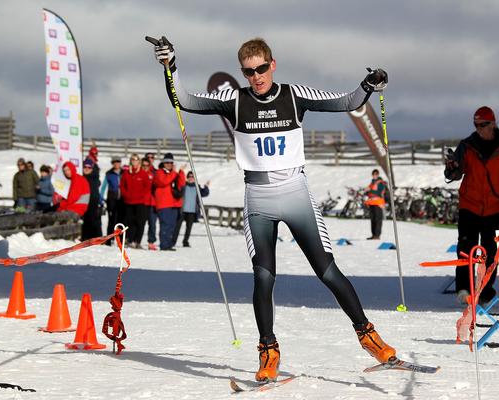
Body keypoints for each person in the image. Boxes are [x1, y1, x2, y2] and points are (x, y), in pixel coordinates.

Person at [152, 36, 393, 382]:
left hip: (295, 192)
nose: (257, 76)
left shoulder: (294, 95)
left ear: (272, 64)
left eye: (262, 68)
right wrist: (169, 65)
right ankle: (268, 351)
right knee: (263, 277)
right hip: (259, 198)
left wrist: (369, 84)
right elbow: (183, 100)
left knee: (327, 271)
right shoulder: (234, 99)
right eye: (249, 72)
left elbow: (348, 101)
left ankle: (368, 335)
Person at [444, 106, 499, 306]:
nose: (479, 128)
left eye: (483, 125)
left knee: (490, 252)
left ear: (493, 123)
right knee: (465, 248)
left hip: (495, 207)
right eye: (476, 125)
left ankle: (485, 291)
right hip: (469, 205)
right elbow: (455, 174)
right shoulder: (467, 145)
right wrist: (451, 168)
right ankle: (464, 288)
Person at [153, 153, 185, 251]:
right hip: (163, 204)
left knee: (172, 226)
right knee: (165, 225)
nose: (169, 164)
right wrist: (174, 173)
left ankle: (169, 244)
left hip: (174, 203)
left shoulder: (173, 173)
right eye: (166, 162)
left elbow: (182, 184)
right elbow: (163, 182)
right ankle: (164, 245)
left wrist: (181, 172)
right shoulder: (159, 172)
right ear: (163, 163)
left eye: (171, 163)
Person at [120, 154, 150, 248]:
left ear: (139, 162)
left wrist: (141, 195)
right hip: (129, 202)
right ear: (130, 161)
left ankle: (137, 241)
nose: (134, 162)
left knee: (140, 222)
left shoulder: (143, 173)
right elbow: (122, 186)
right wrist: (126, 195)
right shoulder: (126, 173)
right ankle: (130, 240)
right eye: (133, 160)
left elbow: (147, 187)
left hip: (140, 202)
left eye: (136, 160)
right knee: (130, 222)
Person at [178, 171, 210, 247]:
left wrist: (206, 187)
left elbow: (204, 193)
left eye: (192, 176)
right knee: (177, 227)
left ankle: (185, 242)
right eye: (189, 176)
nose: (191, 178)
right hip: (182, 210)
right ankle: (172, 241)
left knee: (188, 228)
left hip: (192, 211)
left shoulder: (197, 187)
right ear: (187, 177)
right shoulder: (184, 186)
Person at [101, 156, 123, 244]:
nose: (116, 164)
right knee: (111, 219)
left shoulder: (124, 172)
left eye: (118, 162)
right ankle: (109, 239)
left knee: (120, 219)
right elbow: (104, 186)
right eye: (115, 162)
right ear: (112, 163)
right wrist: (101, 197)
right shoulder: (109, 173)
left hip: (122, 199)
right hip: (112, 198)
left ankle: (120, 239)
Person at [81, 158, 103, 240]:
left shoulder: (94, 179)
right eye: (85, 167)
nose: (86, 169)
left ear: (92, 168)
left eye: (89, 167)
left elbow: (94, 195)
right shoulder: (81, 177)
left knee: (93, 221)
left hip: (92, 204)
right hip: (83, 204)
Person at [364, 169, 386, 240]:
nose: (374, 176)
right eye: (373, 174)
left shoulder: (381, 183)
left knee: (378, 220)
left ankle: (377, 235)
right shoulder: (372, 183)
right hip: (372, 203)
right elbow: (370, 192)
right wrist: (366, 191)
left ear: (378, 175)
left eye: (376, 174)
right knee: (372, 219)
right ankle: (373, 234)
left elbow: (379, 192)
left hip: (378, 204)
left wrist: (370, 190)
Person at [144, 152, 158, 250]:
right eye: (148, 157)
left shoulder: (156, 172)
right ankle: (134, 240)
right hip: (142, 201)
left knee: (152, 223)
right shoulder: (141, 170)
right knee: (138, 222)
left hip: (153, 201)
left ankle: (151, 241)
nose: (150, 159)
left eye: (152, 157)